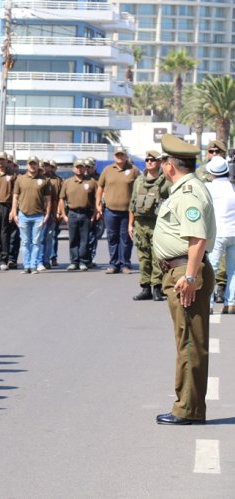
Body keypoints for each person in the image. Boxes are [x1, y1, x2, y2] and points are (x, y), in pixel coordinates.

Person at [153, 134, 215, 425]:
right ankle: (187, 405)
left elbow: (197, 238)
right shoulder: (184, 189)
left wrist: (190, 276)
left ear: (169, 166)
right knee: (186, 340)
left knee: (189, 342)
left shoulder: (189, 192)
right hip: (179, 270)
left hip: (184, 272)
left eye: (163, 161)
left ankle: (188, 409)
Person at [128, 150, 170, 301]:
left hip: (158, 223)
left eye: (152, 159)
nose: (149, 162)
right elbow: (132, 204)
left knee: (157, 257)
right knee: (143, 256)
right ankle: (146, 288)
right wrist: (130, 224)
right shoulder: (139, 181)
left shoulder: (165, 181)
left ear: (159, 162)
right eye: (147, 159)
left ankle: (157, 287)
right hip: (140, 223)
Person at [97, 146, 140, 274]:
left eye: (122, 155)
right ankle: (113, 264)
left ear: (126, 156)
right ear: (114, 157)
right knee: (112, 237)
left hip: (128, 211)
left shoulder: (133, 170)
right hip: (110, 210)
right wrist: (98, 204)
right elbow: (100, 188)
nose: (120, 157)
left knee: (126, 238)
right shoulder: (107, 170)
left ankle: (125, 264)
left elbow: (139, 188)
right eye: (117, 155)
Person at [203, 155, 235, 314]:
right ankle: (231, 303)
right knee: (233, 270)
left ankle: (208, 304)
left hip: (217, 233)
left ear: (211, 172)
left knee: (211, 268)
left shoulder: (208, 187)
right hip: (234, 232)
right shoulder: (232, 186)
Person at [10, 156, 51, 274]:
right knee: (25, 242)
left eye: (35, 164)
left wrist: (47, 213)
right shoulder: (20, 179)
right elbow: (15, 197)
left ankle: (33, 265)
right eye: (30, 164)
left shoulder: (44, 180)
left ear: (38, 166)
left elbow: (48, 199)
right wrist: (14, 212)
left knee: (36, 242)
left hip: (38, 215)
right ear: (27, 165)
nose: (32, 166)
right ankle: (26, 265)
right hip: (23, 214)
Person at [58, 160, 97, 271]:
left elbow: (96, 200)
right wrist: (64, 214)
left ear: (85, 169)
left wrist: (95, 214)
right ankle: (74, 261)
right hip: (72, 213)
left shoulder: (91, 182)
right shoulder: (67, 182)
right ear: (73, 169)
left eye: (82, 167)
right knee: (73, 238)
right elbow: (62, 199)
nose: (79, 169)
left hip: (86, 213)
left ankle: (83, 261)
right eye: (77, 167)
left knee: (84, 239)